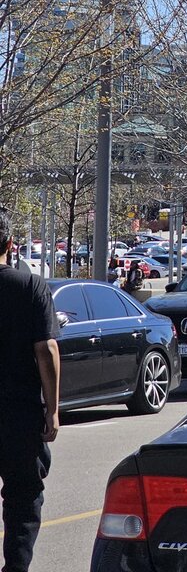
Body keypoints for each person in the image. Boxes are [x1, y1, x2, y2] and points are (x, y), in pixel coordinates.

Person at [0, 207, 60, 572]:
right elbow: (46, 350)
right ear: (10, 244)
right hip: (19, 415)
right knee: (23, 499)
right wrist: (53, 409)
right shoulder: (30, 287)